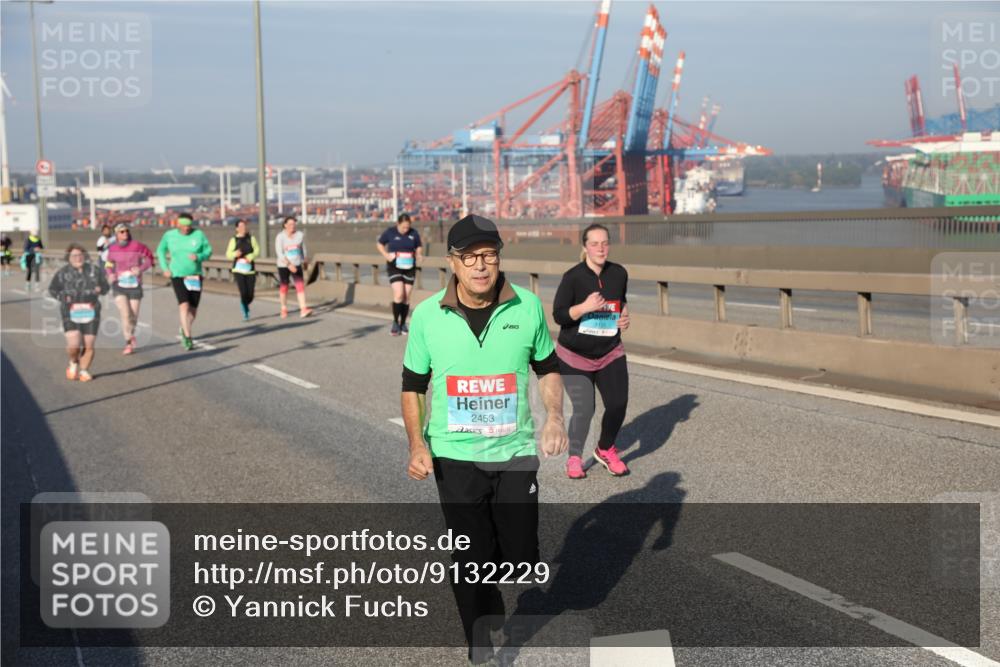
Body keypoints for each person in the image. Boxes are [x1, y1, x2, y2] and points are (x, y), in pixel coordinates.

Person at [401, 214, 568, 665]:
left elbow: (549, 368)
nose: (480, 266)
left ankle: (489, 590)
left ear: (498, 259)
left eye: (489, 256)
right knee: (469, 555)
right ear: (452, 262)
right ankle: (479, 643)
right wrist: (418, 445)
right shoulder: (427, 316)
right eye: (470, 257)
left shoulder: (527, 307)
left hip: (514, 452)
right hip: (453, 455)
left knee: (519, 557)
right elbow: (413, 386)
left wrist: (555, 417)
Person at [552, 223, 631, 479]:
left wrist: (624, 317)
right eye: (595, 243)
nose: (601, 248)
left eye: (605, 243)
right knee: (585, 409)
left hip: (610, 351)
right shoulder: (572, 277)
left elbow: (621, 302)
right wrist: (584, 307)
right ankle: (574, 459)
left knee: (618, 404)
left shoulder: (619, 273)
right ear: (585, 247)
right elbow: (559, 315)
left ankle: (605, 449)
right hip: (575, 356)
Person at [48, 244, 109, 382]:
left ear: (85, 256)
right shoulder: (62, 273)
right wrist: (62, 297)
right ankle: (73, 362)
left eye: (80, 255)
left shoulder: (95, 271)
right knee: (74, 343)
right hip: (70, 310)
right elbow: (52, 289)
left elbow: (106, 287)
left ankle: (84, 371)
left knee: (89, 344)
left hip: (91, 309)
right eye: (74, 255)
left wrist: (101, 288)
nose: (78, 258)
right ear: (68, 258)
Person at [156, 213, 213, 350]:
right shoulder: (169, 235)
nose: (187, 228)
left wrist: (199, 256)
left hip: (194, 276)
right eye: (184, 226)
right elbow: (160, 250)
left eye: (189, 226)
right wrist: (165, 268)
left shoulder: (199, 235)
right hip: (177, 274)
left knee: (193, 310)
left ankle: (184, 327)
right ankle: (187, 337)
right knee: (184, 305)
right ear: (178, 224)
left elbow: (208, 251)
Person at [105, 223, 154, 355]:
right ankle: (128, 342)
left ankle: (131, 334)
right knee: (125, 313)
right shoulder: (113, 248)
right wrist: (110, 273)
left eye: (126, 231)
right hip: (119, 285)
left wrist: (141, 269)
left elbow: (149, 259)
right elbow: (109, 263)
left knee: (133, 316)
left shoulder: (137, 246)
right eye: (121, 231)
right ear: (116, 234)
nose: (125, 233)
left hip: (134, 285)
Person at [376, 213, 422, 335]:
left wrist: (419, 254)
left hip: (410, 267)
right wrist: (386, 255)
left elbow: (418, 246)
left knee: (406, 296)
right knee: (399, 293)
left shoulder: (414, 233)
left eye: (407, 227)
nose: (405, 230)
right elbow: (380, 244)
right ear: (398, 224)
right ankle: (396, 322)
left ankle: (403, 323)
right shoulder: (390, 232)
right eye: (403, 227)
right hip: (394, 266)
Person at [274, 215, 313, 319]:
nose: (292, 226)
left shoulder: (300, 235)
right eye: (290, 224)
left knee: (300, 286)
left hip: (296, 264)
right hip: (283, 265)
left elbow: (302, 249)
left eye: (294, 224)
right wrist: (288, 265)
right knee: (284, 286)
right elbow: (279, 253)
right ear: (285, 225)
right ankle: (283, 308)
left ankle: (303, 309)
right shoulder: (280, 237)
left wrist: (304, 260)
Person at [225, 219, 260, 321]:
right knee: (243, 292)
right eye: (240, 227)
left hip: (250, 269)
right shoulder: (233, 240)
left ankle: (245, 302)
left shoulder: (251, 238)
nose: (242, 228)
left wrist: (251, 256)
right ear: (236, 229)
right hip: (238, 269)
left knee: (250, 294)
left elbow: (257, 250)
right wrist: (235, 254)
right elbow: (228, 254)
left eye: (244, 226)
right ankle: (245, 310)